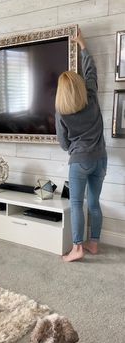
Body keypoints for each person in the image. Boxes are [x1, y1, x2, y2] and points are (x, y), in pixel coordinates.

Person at [55, 29, 107, 262]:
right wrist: (83, 45)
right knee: (94, 202)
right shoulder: (92, 96)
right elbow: (91, 70)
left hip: (79, 161)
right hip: (100, 159)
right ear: (80, 85)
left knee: (76, 203)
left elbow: (63, 142)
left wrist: (74, 149)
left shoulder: (62, 112)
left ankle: (77, 248)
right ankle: (93, 244)